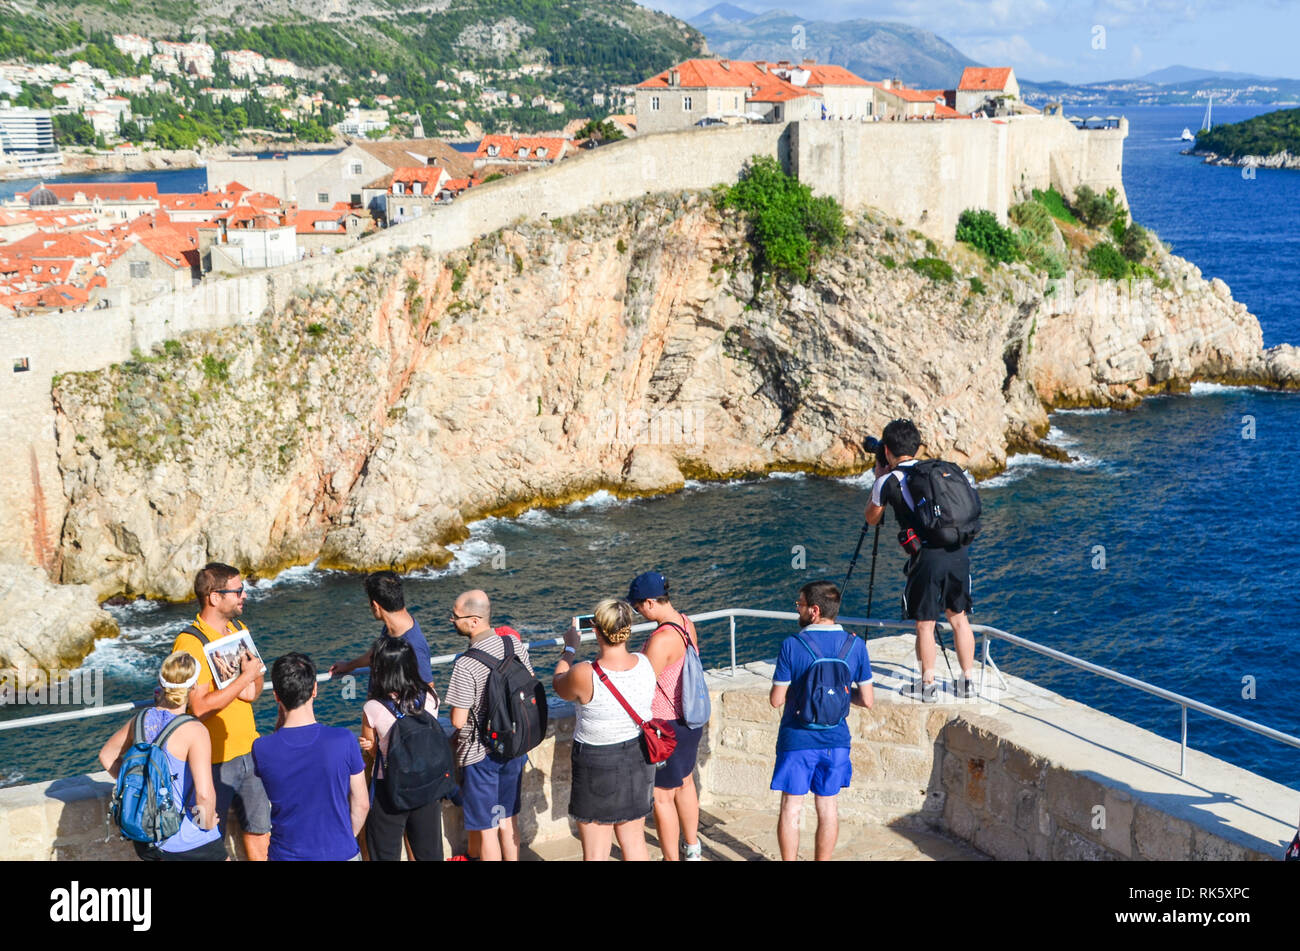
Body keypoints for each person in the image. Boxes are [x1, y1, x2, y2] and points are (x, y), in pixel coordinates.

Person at [864, 418, 977, 701]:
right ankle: (967, 681)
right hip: (958, 551)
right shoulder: (940, 470)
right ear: (916, 447)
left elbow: (872, 518)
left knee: (925, 623)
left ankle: (927, 686)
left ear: (886, 450)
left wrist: (878, 478)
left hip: (927, 557)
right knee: (959, 618)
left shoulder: (889, 480)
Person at [171, 562, 271, 860]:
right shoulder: (189, 643)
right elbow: (199, 706)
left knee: (259, 832)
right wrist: (244, 677)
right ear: (214, 597)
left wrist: (252, 674)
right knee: (206, 839)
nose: (243, 596)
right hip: (212, 761)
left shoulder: (239, 630)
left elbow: (253, 691)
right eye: (237, 591)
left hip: (249, 752)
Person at [769, 580, 873, 861]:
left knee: (792, 807)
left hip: (797, 738)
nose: (797, 610)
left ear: (814, 610)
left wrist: (803, 693)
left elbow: (777, 700)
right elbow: (867, 700)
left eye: (800, 604)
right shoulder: (856, 645)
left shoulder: (792, 645)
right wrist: (836, 693)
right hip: (835, 740)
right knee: (827, 807)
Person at [98, 651, 226, 861]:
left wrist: (142, 787)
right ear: (193, 687)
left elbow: (107, 755)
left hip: (146, 835)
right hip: (187, 838)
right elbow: (204, 795)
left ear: (161, 682)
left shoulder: (141, 719)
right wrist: (209, 821)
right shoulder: (195, 730)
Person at [552, 598, 655, 862]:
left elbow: (558, 685)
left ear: (596, 631)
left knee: (596, 850)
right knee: (634, 841)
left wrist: (569, 648)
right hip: (638, 755)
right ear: (627, 630)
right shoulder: (645, 664)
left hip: (597, 762)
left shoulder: (585, 673)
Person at [251, 652, 368, 861]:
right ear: (314, 689)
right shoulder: (344, 739)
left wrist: (280, 725)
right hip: (340, 852)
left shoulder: (261, 748)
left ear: (276, 696)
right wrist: (345, 838)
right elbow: (361, 804)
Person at [444, 589, 531, 861]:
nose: (450, 620)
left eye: (455, 616)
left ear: (473, 621)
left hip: (480, 755)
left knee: (487, 830)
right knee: (508, 820)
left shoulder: (466, 664)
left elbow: (458, 720)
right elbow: (527, 685)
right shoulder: (513, 645)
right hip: (513, 745)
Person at [628, 570, 704, 862]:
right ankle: (693, 847)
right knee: (685, 784)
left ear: (649, 603)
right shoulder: (686, 623)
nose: (637, 612)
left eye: (637, 607)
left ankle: (672, 858)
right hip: (689, 720)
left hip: (665, 727)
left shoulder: (661, 639)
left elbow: (643, 682)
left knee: (662, 797)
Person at [359, 636, 445, 861]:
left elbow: (373, 750)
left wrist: (370, 745)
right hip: (426, 785)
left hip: (389, 788)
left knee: (384, 852)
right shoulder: (430, 696)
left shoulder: (373, 708)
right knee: (430, 852)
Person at [329, 570, 436, 691]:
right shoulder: (392, 626)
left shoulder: (414, 645)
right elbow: (375, 654)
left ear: (375, 605)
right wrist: (349, 666)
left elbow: (428, 688)